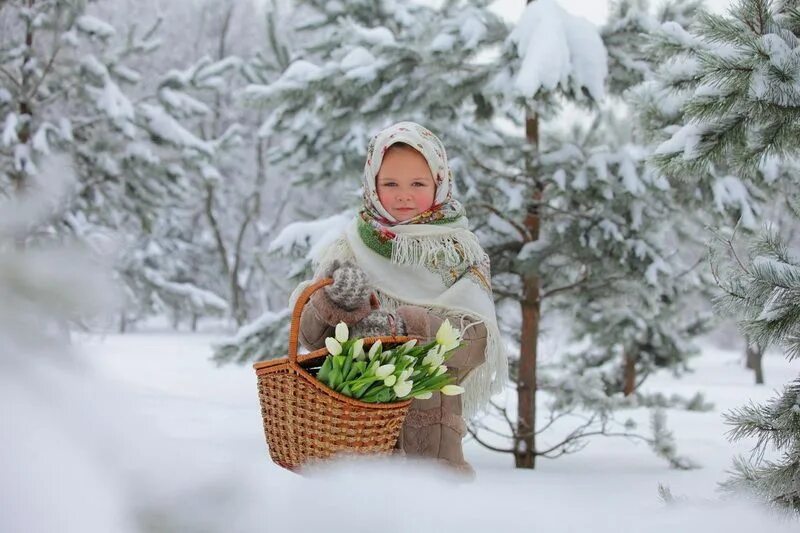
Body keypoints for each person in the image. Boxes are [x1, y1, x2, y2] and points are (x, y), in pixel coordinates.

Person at [290, 121, 508, 479]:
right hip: (354, 439)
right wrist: (335, 303)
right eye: (390, 183)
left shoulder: (461, 252)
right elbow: (312, 340)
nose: (403, 195)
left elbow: (475, 341)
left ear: (439, 182)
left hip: (433, 447)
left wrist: (406, 330)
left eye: (418, 184)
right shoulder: (350, 248)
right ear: (372, 185)